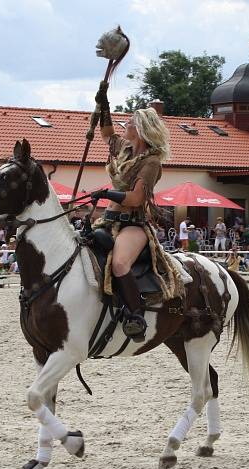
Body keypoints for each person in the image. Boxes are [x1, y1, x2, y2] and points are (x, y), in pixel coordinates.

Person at [92, 82, 179, 341]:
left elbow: (136, 198)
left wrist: (107, 193)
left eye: (129, 122)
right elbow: (106, 132)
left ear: (140, 131)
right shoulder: (124, 149)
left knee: (119, 263)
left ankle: (136, 316)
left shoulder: (151, 163)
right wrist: (104, 103)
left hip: (133, 225)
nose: (124, 125)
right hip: (107, 220)